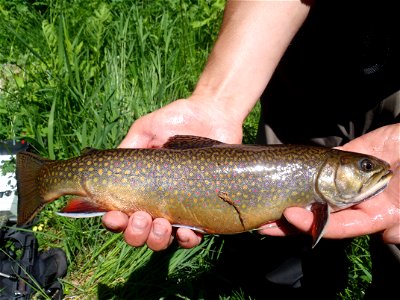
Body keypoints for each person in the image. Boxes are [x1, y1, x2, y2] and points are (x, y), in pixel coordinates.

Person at [103, 0, 399, 298]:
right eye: (364, 167)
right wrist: (217, 102)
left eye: (365, 168)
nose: (371, 169)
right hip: (307, 68)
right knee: (281, 248)